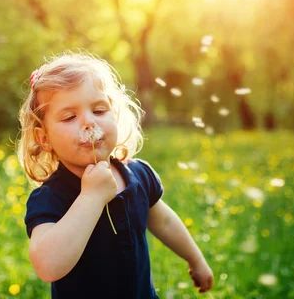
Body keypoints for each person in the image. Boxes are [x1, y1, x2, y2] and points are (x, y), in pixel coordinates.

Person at [18, 52, 214, 298]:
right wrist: (91, 198)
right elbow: (48, 266)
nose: (89, 122)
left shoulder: (138, 174)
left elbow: (163, 222)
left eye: (99, 110)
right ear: (44, 138)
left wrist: (196, 260)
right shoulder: (50, 197)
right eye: (69, 116)